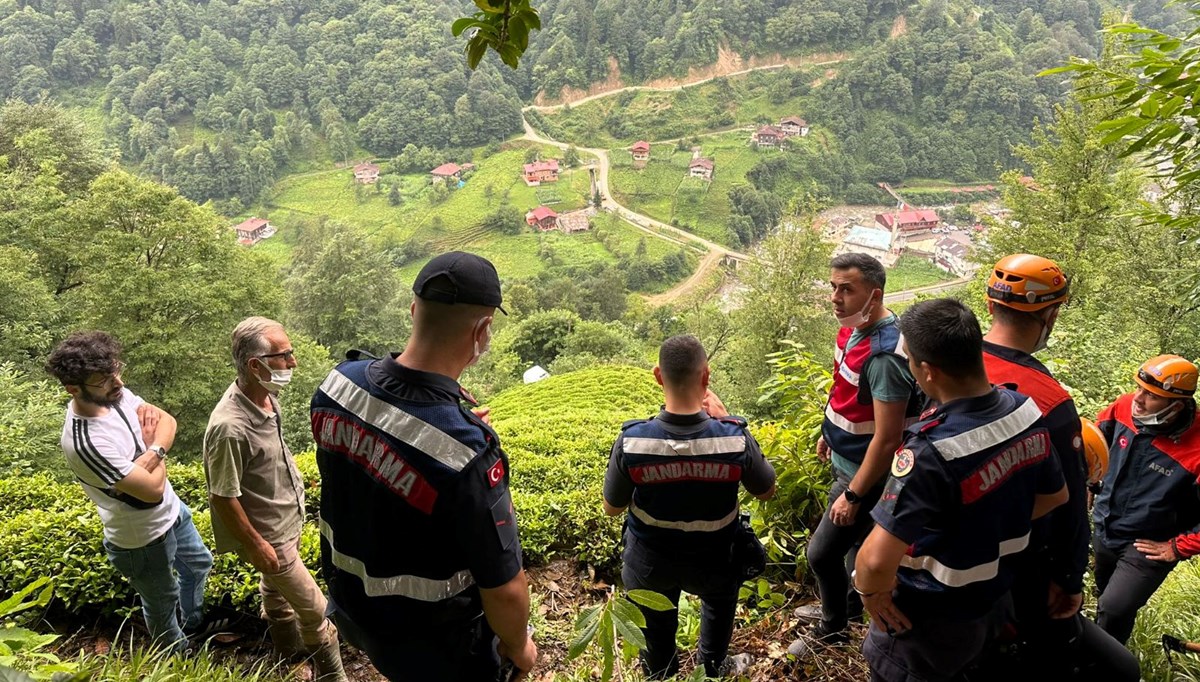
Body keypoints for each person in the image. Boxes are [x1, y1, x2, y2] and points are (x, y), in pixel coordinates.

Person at [311, 251, 537, 682]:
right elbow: (505, 590)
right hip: (436, 647)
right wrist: (519, 646)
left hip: (353, 612)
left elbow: (369, 457)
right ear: (483, 330)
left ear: (414, 310)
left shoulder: (336, 384)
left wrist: (443, 432)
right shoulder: (466, 453)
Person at [852, 299, 1069, 682]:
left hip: (927, 623)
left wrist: (872, 595)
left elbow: (873, 562)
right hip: (992, 600)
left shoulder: (932, 451)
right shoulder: (1025, 412)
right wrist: (983, 529)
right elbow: (1055, 496)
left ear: (928, 371)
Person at [978, 254, 1138, 679]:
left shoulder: (951, 366)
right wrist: (1069, 580)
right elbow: (1069, 505)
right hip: (1025, 561)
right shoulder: (1049, 400)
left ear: (990, 305)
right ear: (1050, 312)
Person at [602, 335, 777, 679]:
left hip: (650, 562)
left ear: (657, 376)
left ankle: (661, 673)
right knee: (719, 603)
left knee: (655, 622)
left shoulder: (633, 441)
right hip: (715, 558)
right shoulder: (733, 437)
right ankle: (713, 666)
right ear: (706, 377)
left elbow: (612, 507)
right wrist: (728, 419)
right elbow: (767, 491)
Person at [46, 331, 214, 653]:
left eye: (116, 370)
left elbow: (167, 421)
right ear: (73, 389)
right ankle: (175, 654)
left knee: (199, 564)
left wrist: (151, 454)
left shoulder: (114, 394)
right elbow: (150, 491)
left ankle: (193, 623)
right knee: (162, 601)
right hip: (140, 538)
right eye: (104, 379)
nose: (118, 382)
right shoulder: (85, 441)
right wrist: (157, 448)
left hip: (172, 510)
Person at [790, 252, 921, 656]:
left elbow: (887, 438)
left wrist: (853, 495)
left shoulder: (883, 355)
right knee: (850, 552)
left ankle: (831, 630)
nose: (835, 297)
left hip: (866, 478)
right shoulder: (852, 331)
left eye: (847, 289)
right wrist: (828, 431)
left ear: (874, 294)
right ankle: (846, 610)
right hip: (846, 460)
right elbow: (844, 392)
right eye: (833, 287)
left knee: (821, 554)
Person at [202, 317, 346, 681]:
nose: (293, 362)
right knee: (315, 611)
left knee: (277, 594)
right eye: (285, 355)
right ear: (255, 365)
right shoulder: (230, 427)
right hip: (269, 537)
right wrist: (255, 545)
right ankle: (334, 676)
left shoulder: (267, 399)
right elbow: (222, 496)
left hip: (287, 521)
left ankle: (289, 657)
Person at [1092, 354, 1200, 645]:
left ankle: (1100, 666)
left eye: (1151, 396)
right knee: (1106, 599)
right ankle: (1104, 650)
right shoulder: (1123, 406)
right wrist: (1088, 487)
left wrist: (1179, 547)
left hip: (1148, 543)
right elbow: (1093, 444)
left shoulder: (1197, 446)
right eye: (1138, 388)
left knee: (1115, 607)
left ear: (1176, 405)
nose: (1137, 398)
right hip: (1105, 526)